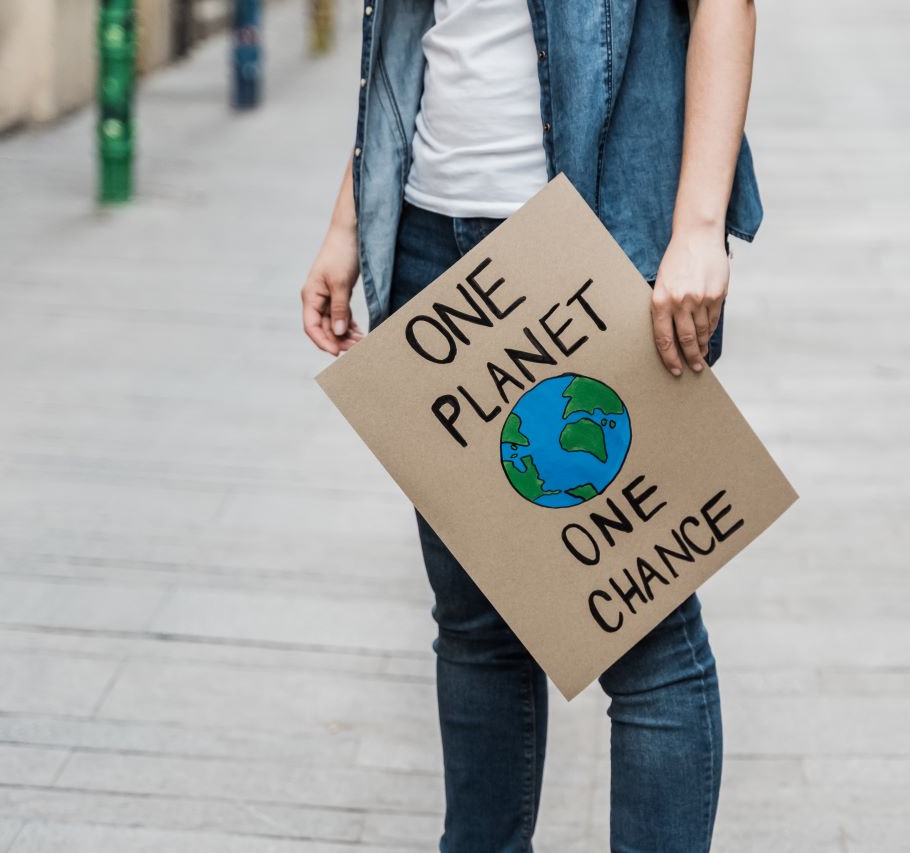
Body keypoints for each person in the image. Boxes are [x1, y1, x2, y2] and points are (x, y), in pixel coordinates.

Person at [300, 0, 761, 849]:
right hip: (430, 243)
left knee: (645, 635)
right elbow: (419, 31)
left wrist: (700, 227)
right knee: (473, 624)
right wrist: (348, 219)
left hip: (593, 240)